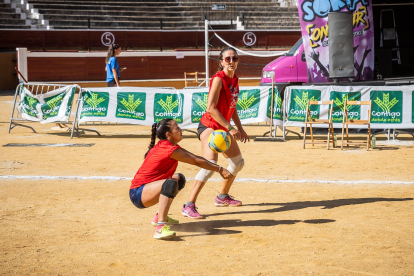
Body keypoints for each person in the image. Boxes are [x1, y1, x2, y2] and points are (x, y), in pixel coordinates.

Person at [129, 118, 232, 240]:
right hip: (138, 194)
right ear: (169, 135)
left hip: (146, 190)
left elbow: (195, 158)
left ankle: (159, 217)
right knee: (170, 183)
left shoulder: (169, 146)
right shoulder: (168, 148)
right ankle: (160, 228)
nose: (180, 129)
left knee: (179, 179)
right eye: (176, 128)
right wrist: (219, 169)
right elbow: (196, 161)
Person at [182, 47, 250, 219]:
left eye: (234, 58)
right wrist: (230, 128)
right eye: (227, 59)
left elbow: (232, 106)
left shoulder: (235, 79)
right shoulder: (218, 79)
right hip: (209, 126)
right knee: (210, 165)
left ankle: (222, 197)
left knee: (237, 163)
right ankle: (188, 205)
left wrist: (240, 128)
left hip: (223, 127)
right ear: (221, 62)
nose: (231, 61)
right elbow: (211, 108)